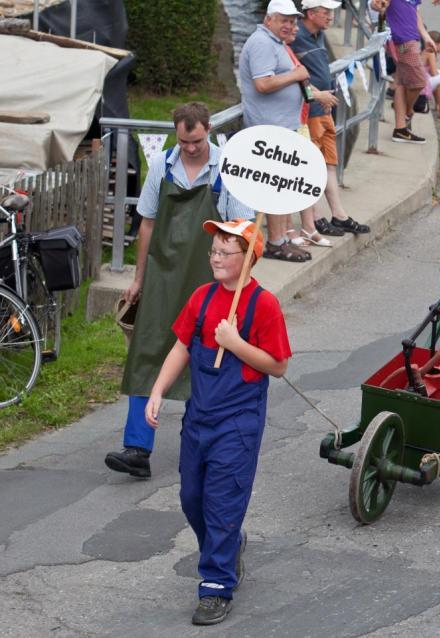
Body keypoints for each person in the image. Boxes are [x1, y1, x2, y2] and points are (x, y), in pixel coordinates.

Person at [145, 219, 290, 625]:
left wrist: (236, 344)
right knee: (192, 499)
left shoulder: (264, 305)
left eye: (226, 251)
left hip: (238, 422)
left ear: (248, 259)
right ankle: (227, 546)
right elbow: (182, 347)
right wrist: (157, 390)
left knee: (222, 504)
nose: (216, 257)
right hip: (199, 418)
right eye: (214, 250)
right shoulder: (202, 298)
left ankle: (216, 586)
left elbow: (278, 366)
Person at [104, 102, 254, 480]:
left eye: (197, 141)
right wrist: (139, 279)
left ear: (209, 130)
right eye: (184, 141)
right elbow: (147, 224)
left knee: (204, 359)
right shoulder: (162, 165)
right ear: (176, 134)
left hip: (208, 278)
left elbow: (242, 231)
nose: (190, 148)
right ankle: (137, 449)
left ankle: (197, 446)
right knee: (146, 351)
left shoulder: (227, 168)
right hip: (163, 275)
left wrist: (237, 285)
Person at [290, 0, 371, 240]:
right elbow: (292, 73)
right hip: (309, 112)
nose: (331, 17)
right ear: (310, 13)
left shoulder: (318, 35)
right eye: (326, 12)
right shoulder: (296, 36)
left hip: (324, 109)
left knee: (329, 163)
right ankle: (314, 217)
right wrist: (317, 95)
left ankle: (339, 214)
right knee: (311, 165)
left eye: (331, 12)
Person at [238, 0, 313, 262]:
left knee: (281, 187)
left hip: (281, 126)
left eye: (292, 21)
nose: (289, 25)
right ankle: (275, 242)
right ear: (269, 19)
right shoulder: (262, 42)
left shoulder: (275, 43)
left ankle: (280, 240)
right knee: (274, 188)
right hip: (268, 127)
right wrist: (296, 75)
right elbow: (263, 83)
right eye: (284, 20)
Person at [370, 0, 436, 144]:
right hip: (402, 41)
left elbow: (415, 11)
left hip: (412, 38)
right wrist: (377, 6)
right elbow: (376, 4)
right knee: (420, 82)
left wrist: (425, 36)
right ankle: (407, 111)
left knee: (401, 83)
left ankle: (400, 129)